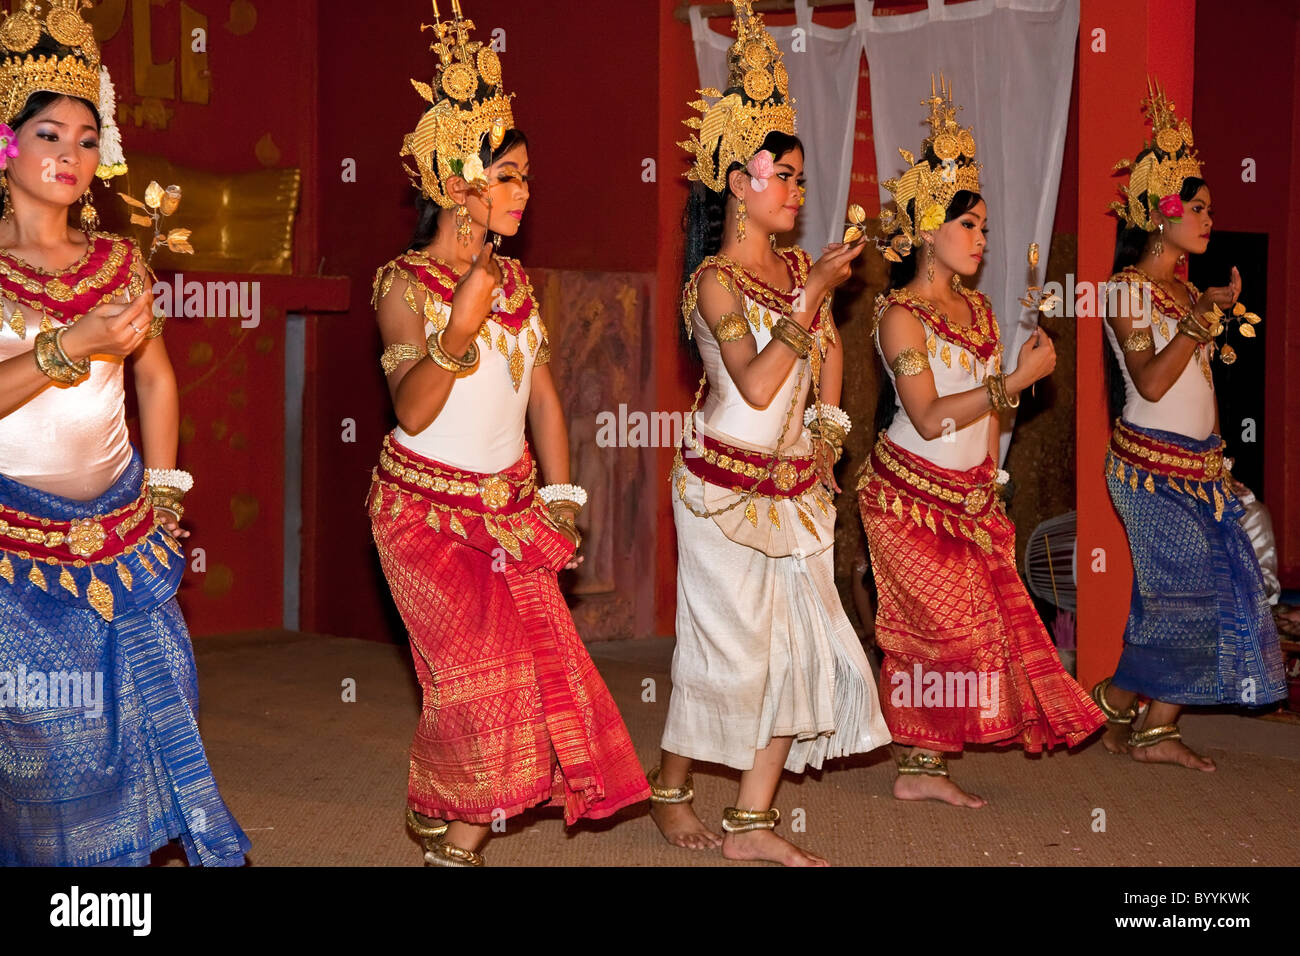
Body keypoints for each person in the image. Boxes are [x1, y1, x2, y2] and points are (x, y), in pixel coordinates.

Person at [368, 2, 649, 867]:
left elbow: (544, 397)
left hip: (510, 509)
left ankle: (439, 806)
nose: (525, 192)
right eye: (510, 175)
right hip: (421, 517)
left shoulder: (520, 283)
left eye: (526, 176)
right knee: (478, 677)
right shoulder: (402, 285)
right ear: (459, 180)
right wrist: (457, 326)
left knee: (523, 675)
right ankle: (457, 849)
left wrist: (562, 499)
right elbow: (414, 411)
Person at [0, 1, 248, 866]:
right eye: (48, 136)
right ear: (5, 146)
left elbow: (153, 373)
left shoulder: (118, 263)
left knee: (150, 707)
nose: (71, 155)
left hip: (120, 527)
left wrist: (165, 486)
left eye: (85, 136)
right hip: (12, 547)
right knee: (43, 738)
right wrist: (71, 346)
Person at [650, 0, 891, 867]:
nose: (796, 189)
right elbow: (753, 381)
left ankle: (752, 822)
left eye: (797, 175)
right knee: (729, 655)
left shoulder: (794, 268)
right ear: (736, 186)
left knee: (797, 647)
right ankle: (671, 788)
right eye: (780, 175)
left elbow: (823, 358)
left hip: (796, 484)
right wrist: (814, 294)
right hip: (721, 486)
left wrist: (828, 435)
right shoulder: (715, 280)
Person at [857, 76, 1105, 808]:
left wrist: (989, 479)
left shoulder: (979, 312)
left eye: (988, 228)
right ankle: (913, 757)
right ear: (930, 227)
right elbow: (932, 416)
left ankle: (920, 765)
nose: (983, 240)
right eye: (971, 226)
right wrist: (1016, 381)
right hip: (904, 498)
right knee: (940, 633)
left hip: (965, 498)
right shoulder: (898, 317)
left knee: (978, 634)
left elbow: (984, 424)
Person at [1094, 80, 1286, 769]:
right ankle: (1126, 708)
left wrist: (1205, 309)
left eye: (1209, 207)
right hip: (1147, 472)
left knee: (1212, 590)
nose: (1207, 219)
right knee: (1182, 596)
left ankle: (1143, 720)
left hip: (1199, 467)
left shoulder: (1181, 289)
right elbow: (1148, 381)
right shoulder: (1124, 290)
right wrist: (1203, 320)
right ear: (1159, 213)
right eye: (1195, 208)